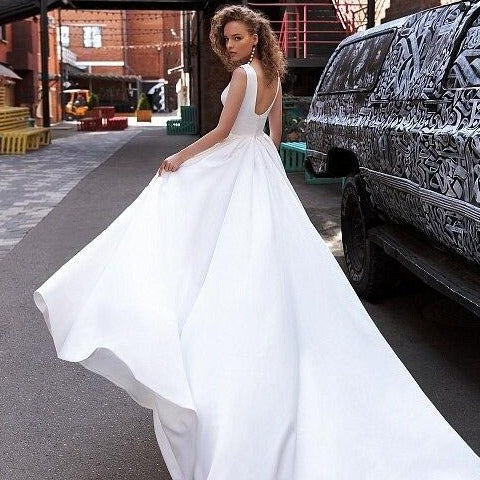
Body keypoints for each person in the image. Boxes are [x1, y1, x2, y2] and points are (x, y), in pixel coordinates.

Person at [33, 5, 480, 480]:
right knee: (265, 252)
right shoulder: (274, 76)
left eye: (238, 37)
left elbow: (223, 132)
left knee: (210, 234)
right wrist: (261, 162)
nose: (230, 46)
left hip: (238, 160)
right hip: (260, 166)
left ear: (255, 37)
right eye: (226, 39)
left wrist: (180, 157)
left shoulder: (245, 75)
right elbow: (274, 136)